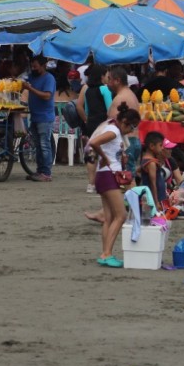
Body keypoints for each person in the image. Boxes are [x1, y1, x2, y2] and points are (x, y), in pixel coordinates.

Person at [86, 102, 141, 268]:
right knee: (121, 215)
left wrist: (114, 157)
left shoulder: (114, 129)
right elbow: (94, 142)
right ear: (124, 122)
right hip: (108, 175)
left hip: (104, 175)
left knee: (109, 218)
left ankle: (106, 253)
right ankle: (106, 253)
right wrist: (104, 156)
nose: (131, 131)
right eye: (132, 127)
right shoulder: (113, 131)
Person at [77, 65, 112, 193]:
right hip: (103, 124)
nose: (108, 77)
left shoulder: (87, 90)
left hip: (90, 124)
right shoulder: (105, 89)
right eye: (107, 75)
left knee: (91, 154)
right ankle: (103, 183)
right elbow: (110, 109)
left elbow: (86, 110)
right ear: (102, 76)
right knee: (104, 153)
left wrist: (87, 120)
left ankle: (91, 184)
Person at [23, 55, 56, 182]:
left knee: (44, 145)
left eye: (35, 66)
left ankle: (46, 173)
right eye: (32, 66)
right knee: (38, 145)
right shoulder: (32, 77)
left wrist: (30, 88)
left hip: (45, 117)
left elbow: (47, 96)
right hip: (35, 115)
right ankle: (40, 170)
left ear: (43, 66)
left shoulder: (49, 78)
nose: (33, 68)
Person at [106, 66, 141, 177]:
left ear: (117, 80)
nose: (107, 83)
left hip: (127, 142)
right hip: (133, 140)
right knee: (128, 176)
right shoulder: (130, 94)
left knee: (127, 178)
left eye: (109, 79)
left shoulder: (121, 97)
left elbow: (113, 123)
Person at [139, 131, 167, 212]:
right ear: (152, 146)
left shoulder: (146, 159)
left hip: (152, 197)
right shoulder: (151, 163)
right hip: (153, 198)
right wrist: (156, 202)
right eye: (160, 145)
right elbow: (153, 184)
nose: (162, 148)